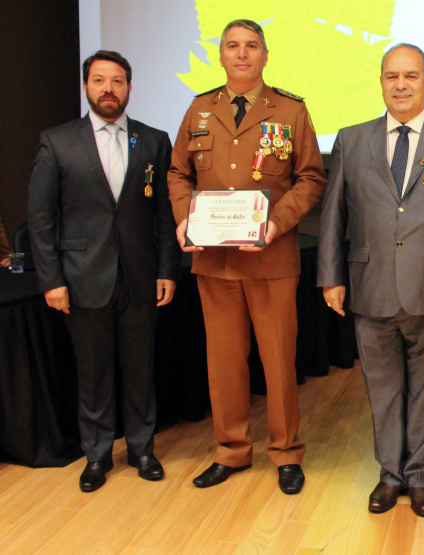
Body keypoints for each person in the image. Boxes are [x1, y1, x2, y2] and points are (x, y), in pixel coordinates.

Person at [318, 43, 424, 517]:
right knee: (383, 387)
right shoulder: (352, 139)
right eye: (392, 76)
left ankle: (420, 476)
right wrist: (331, 276)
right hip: (368, 284)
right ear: (380, 83)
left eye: (411, 76)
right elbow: (333, 215)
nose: (400, 85)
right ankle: (389, 475)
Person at [168, 19, 326, 495]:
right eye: (232, 46)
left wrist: (277, 222)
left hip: (270, 259)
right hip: (214, 261)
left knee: (278, 361)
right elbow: (178, 174)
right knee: (224, 361)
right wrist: (182, 219)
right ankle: (232, 451)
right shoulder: (199, 109)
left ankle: (285, 453)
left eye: (251, 46)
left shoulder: (291, 110)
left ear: (264, 54)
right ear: (220, 55)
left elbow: (311, 179)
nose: (242, 54)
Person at [28, 50, 180, 492]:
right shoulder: (57, 141)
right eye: (99, 81)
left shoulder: (152, 140)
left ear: (130, 88)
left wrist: (168, 268)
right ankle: (96, 455)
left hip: (140, 275)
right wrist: (51, 279)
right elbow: (41, 219)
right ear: (86, 87)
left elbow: (164, 215)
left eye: (117, 81)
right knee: (93, 372)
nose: (108, 89)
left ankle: (141, 448)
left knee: (140, 369)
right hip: (81, 278)